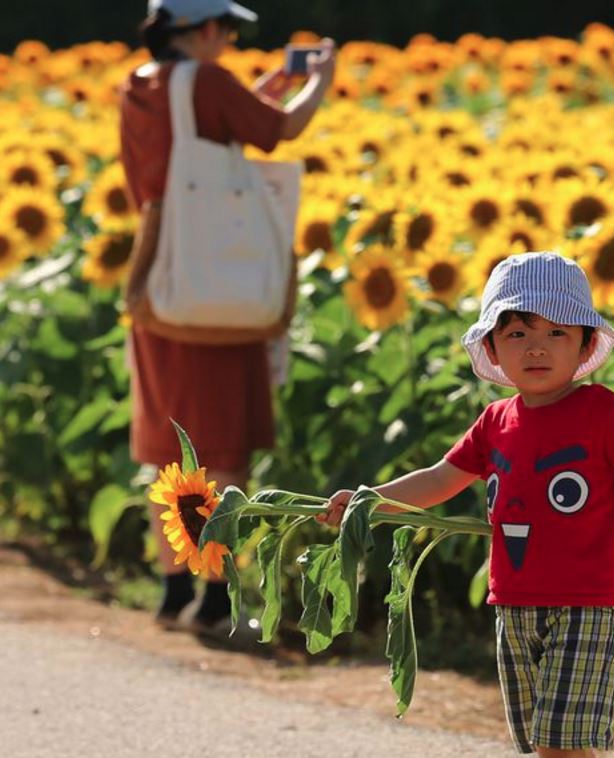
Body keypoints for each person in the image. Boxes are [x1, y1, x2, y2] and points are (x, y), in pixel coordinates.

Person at [319, 252, 614, 756]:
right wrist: (369, 501)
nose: (537, 349)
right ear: (492, 345)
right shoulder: (495, 421)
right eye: (518, 334)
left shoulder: (602, 412)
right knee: (541, 742)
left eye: (556, 333)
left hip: (587, 605)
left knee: (561, 741)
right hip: (512, 604)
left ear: (584, 346)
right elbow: (441, 478)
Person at [119, 0, 335, 634]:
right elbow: (282, 131)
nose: (232, 40)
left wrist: (256, 96)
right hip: (219, 282)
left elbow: (188, 148)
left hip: (162, 276)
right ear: (206, 28)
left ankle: (169, 587)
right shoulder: (207, 80)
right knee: (222, 445)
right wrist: (319, 80)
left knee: (170, 445)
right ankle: (215, 596)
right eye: (229, 29)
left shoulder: (141, 83)